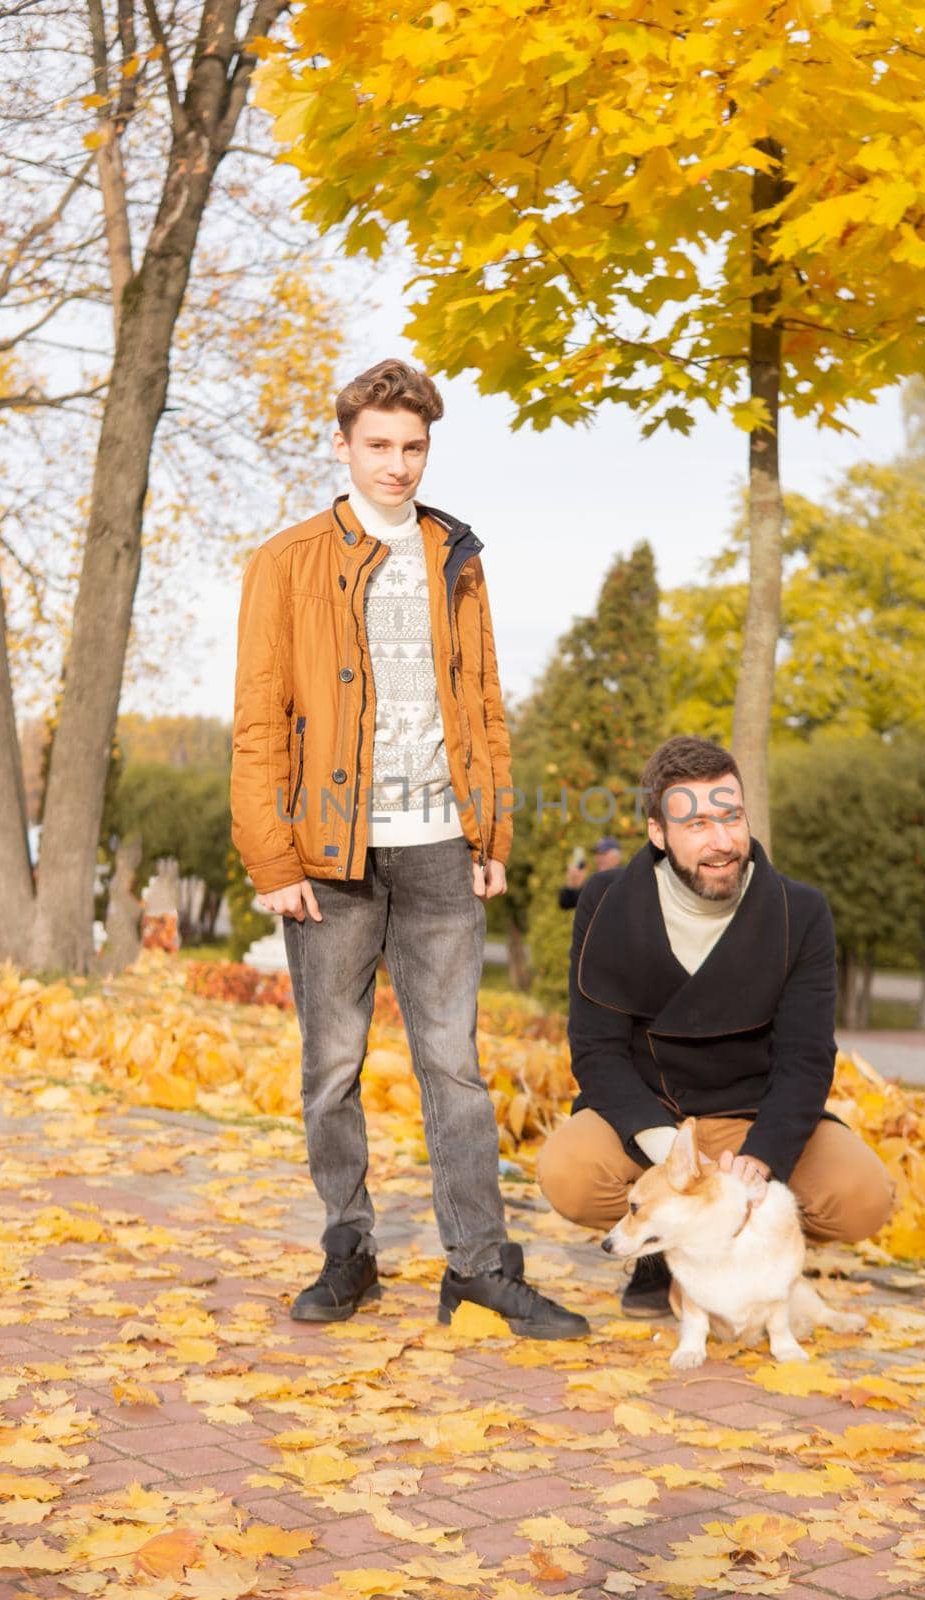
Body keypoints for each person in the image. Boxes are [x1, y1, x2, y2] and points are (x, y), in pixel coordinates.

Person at [231, 358, 587, 1339]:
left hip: (439, 848)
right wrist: (274, 860)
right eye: (378, 445)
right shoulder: (286, 561)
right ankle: (347, 1246)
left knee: (454, 1070)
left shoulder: (454, 553)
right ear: (342, 445)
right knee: (331, 1068)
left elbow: (481, 703)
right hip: (331, 858)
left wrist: (491, 831)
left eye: (413, 446)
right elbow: (260, 719)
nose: (396, 464)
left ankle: (476, 1265)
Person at [538, 734, 894, 1318]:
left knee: (861, 1198)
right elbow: (596, 1050)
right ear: (659, 834)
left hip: (755, 1114)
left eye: (731, 817)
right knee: (569, 1173)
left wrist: (764, 1156)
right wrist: (668, 1154)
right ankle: (659, 1258)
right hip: (653, 1116)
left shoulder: (800, 913)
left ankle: (743, 1262)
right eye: (698, 823)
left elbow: (806, 1056)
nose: (723, 841)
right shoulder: (605, 900)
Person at [558, 836, 624, 911]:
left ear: (617, 856)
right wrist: (572, 883)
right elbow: (565, 903)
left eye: (604, 854)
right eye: (597, 854)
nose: (599, 858)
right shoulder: (596, 881)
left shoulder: (625, 879)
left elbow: (600, 904)